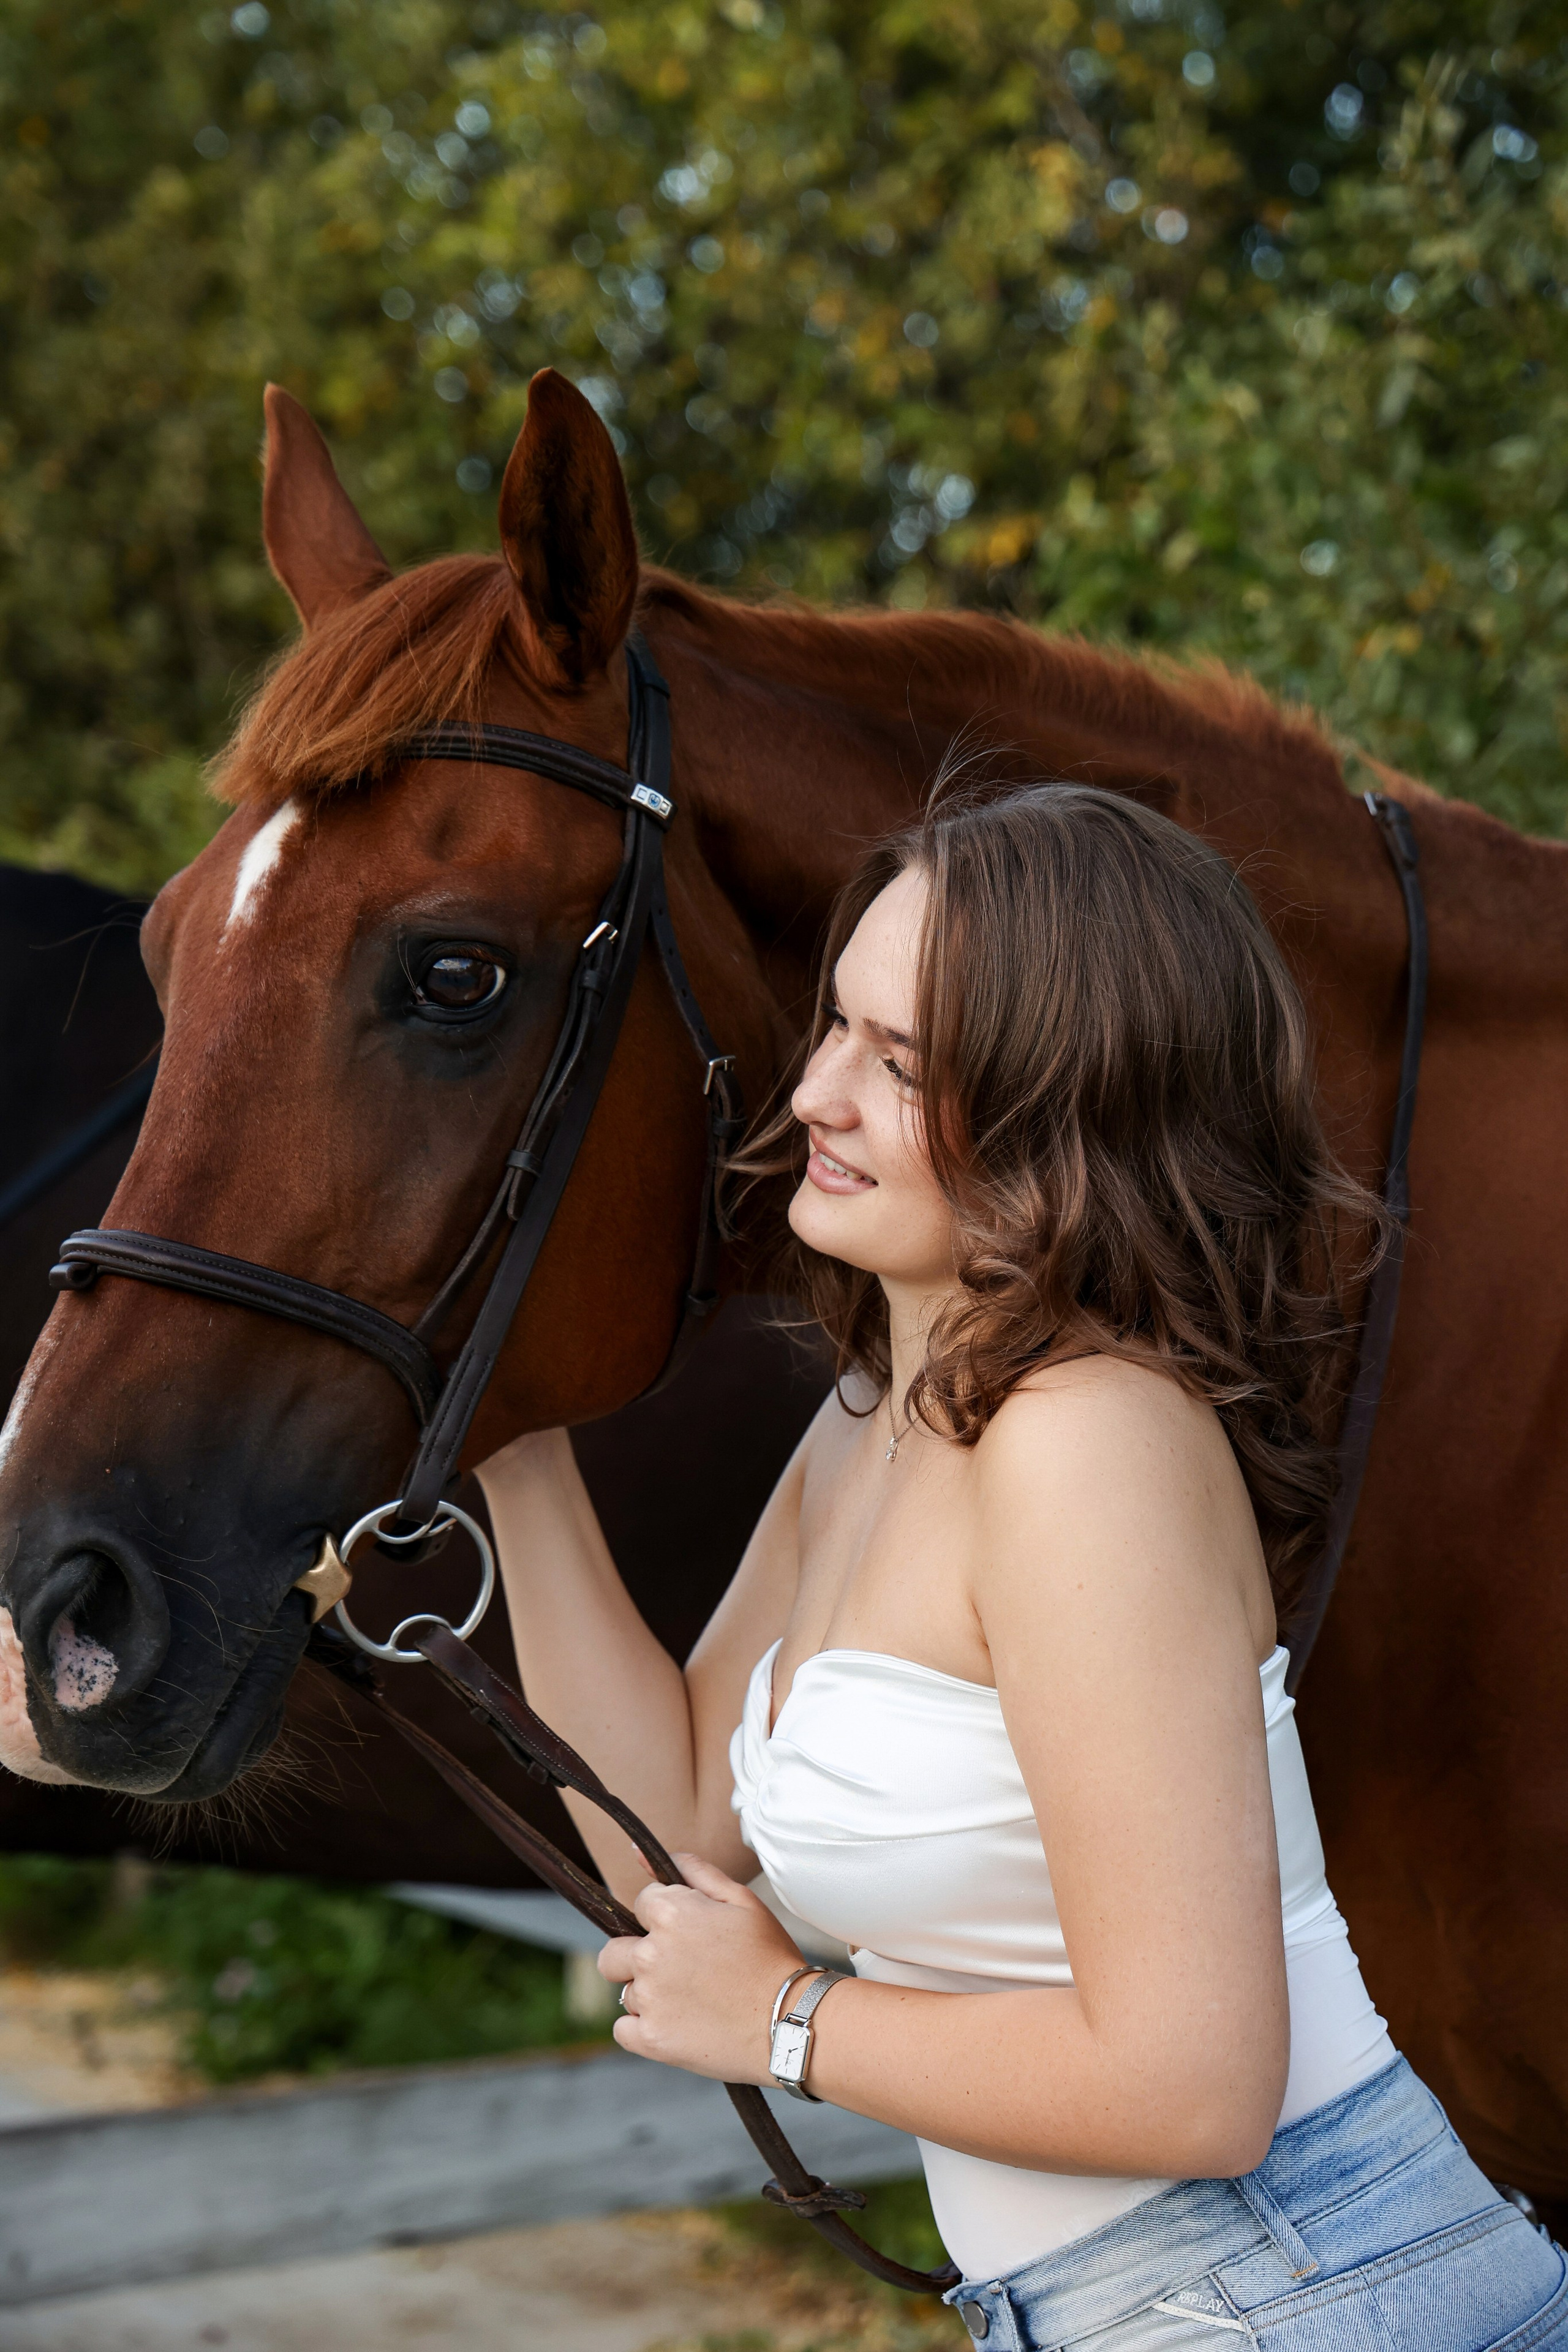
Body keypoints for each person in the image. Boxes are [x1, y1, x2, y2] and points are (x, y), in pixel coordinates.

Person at [477, 783, 1564, 2344]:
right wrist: (511, 1436)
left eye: (900, 1063)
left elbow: (1194, 2086)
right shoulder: (877, 1417)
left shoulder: (1082, 1443)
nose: (817, 1095)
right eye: (835, 1026)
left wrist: (787, 2018)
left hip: (1308, 2291)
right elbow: (665, 1840)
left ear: (1073, 1109)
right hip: (1160, 2301)